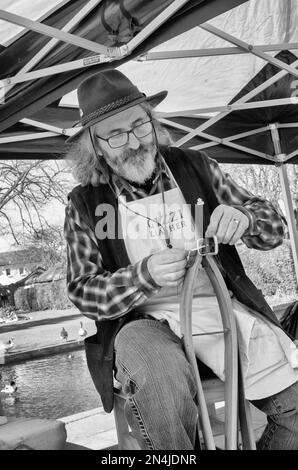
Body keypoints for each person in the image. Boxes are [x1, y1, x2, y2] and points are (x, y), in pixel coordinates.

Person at [64, 69, 298, 450]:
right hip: (141, 323)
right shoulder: (84, 203)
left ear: (153, 122)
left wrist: (246, 217)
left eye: (140, 126)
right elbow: (82, 291)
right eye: (116, 135)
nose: (135, 142)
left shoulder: (196, 168)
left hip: (218, 310)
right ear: (96, 146)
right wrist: (142, 276)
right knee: (162, 376)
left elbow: (274, 230)